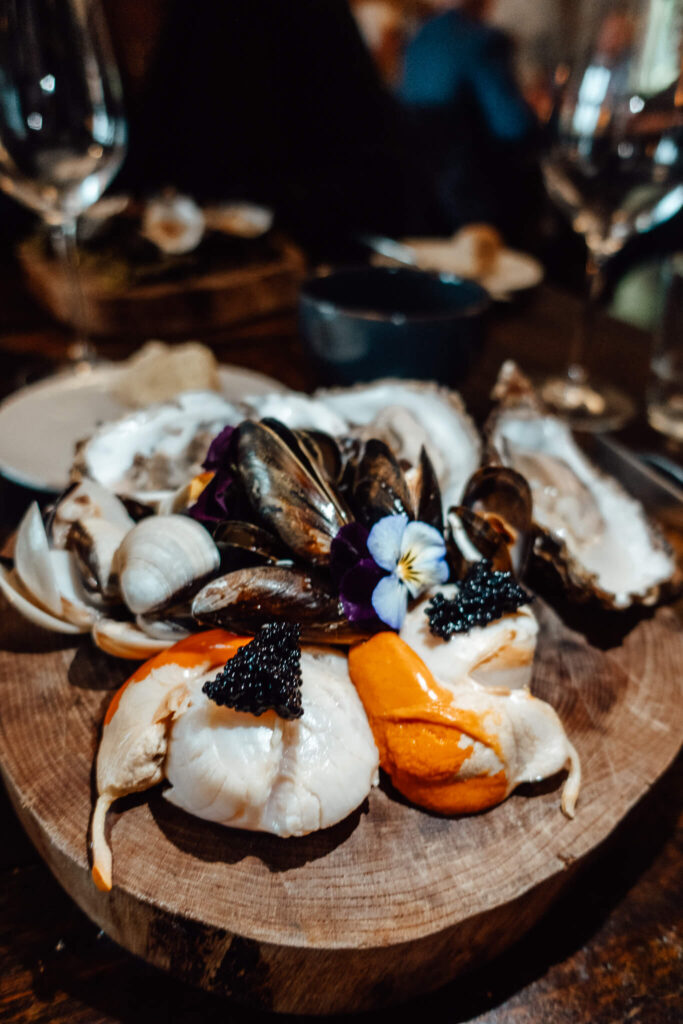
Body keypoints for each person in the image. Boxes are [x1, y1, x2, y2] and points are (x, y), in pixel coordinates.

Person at [397, 0, 542, 243]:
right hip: (476, 205)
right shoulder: (483, 41)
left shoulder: (418, 38)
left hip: (416, 205)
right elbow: (514, 127)